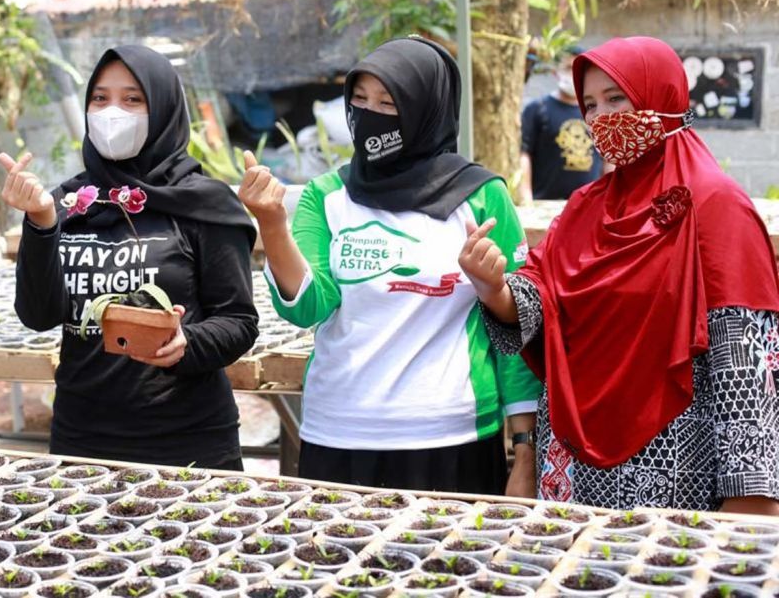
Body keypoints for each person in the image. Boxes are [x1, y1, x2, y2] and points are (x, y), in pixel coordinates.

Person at [461, 36, 779, 514]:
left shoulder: (716, 205)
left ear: (661, 96)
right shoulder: (587, 207)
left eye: (616, 99)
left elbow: (744, 362)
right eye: (590, 105)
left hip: (673, 470)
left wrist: (750, 498)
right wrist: (494, 288)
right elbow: (540, 293)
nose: (600, 118)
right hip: (572, 463)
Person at [239, 37, 541, 494]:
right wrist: (272, 225)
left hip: (452, 435)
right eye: (359, 100)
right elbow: (307, 307)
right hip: (339, 431)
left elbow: (516, 334)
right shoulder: (327, 195)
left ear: (426, 110)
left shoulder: (480, 196)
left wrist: (525, 450)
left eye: (388, 103)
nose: (369, 115)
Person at [2, 45, 258, 469]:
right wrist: (41, 223)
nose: (112, 113)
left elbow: (239, 321)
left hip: (187, 442)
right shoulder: (70, 202)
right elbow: (38, 315)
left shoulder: (201, 203)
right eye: (100, 99)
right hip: (81, 440)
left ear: (163, 109)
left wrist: (188, 343)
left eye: (132, 99)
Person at [519, 48, 607, 202]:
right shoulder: (537, 109)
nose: (573, 74)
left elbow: (608, 159)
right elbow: (524, 154)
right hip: (545, 204)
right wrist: (526, 196)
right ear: (555, 72)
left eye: (579, 70)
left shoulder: (597, 112)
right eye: (568, 68)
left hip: (589, 204)